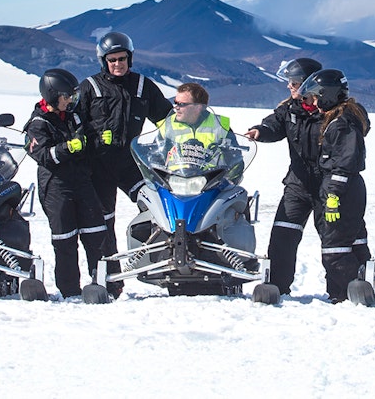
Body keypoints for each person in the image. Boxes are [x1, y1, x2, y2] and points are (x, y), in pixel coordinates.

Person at [76, 31, 172, 290]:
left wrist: (177, 142)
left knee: (159, 207)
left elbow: (166, 120)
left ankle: (167, 266)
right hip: (99, 166)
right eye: (112, 60)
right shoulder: (89, 87)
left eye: (122, 58)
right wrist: (91, 137)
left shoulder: (143, 86)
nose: (118, 64)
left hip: (133, 164)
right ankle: (108, 281)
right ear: (103, 61)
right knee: (102, 224)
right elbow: (74, 125)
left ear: (130, 57)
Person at [244, 58, 339, 296]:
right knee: (282, 237)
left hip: (329, 187)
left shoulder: (332, 110)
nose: (289, 86)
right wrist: (260, 131)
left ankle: (343, 290)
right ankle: (276, 287)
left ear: (310, 84)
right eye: (289, 82)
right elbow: (274, 125)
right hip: (297, 184)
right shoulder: (289, 109)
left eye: (294, 82)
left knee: (334, 240)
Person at [25, 68, 108, 299]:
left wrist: (99, 138)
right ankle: (70, 290)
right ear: (52, 95)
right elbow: (41, 154)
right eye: (66, 96)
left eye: (72, 95)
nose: (70, 100)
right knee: (65, 238)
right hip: (56, 185)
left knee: (95, 232)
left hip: (81, 180)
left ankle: (103, 283)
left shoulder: (73, 115)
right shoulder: (38, 123)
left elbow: (86, 135)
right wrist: (66, 148)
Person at [296, 68, 370, 303]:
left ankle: (347, 294)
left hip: (342, 190)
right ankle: (355, 289)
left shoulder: (342, 124)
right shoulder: (343, 119)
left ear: (328, 94)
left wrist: (333, 197)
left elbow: (344, 164)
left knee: (335, 248)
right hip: (348, 188)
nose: (315, 104)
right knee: (354, 241)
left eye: (317, 98)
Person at [157, 82, 238, 168]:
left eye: (182, 104)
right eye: (176, 103)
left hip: (211, 179)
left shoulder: (220, 126)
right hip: (174, 179)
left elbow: (235, 160)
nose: (176, 107)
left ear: (198, 107)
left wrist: (229, 179)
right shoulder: (167, 126)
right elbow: (156, 157)